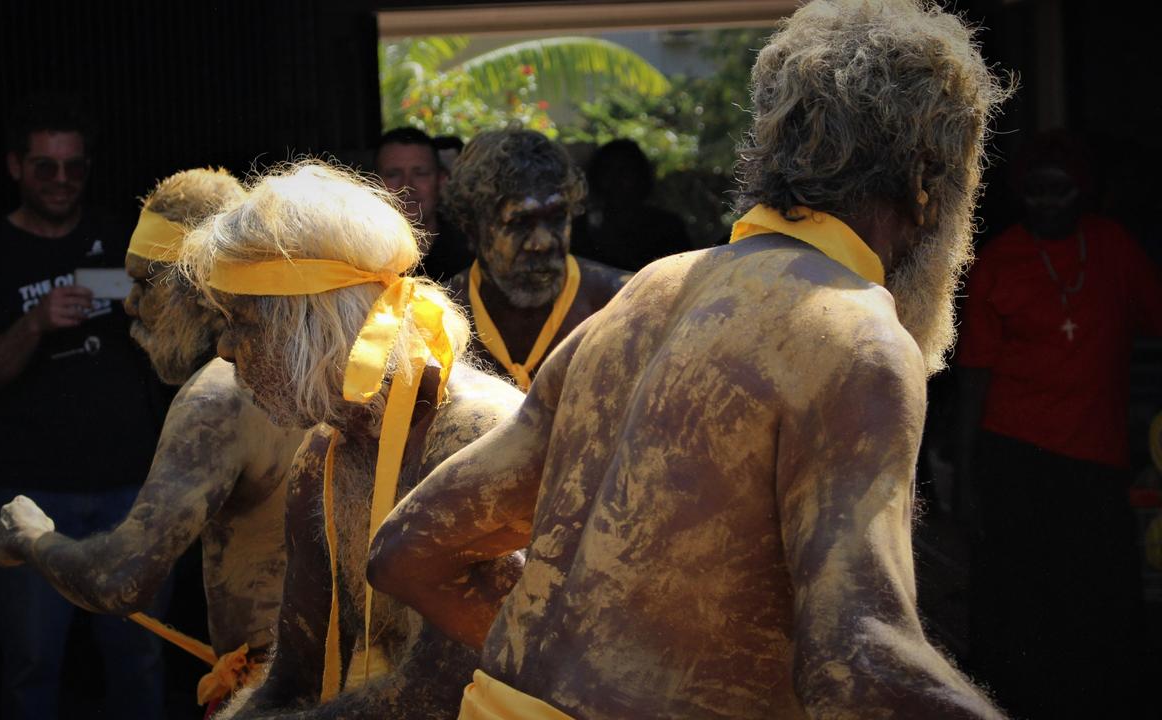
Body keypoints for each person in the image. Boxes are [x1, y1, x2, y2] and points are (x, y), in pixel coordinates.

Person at [368, 1, 1011, 717]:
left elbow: (404, 550)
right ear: (930, 181)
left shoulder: (647, 291)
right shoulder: (857, 334)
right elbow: (857, 665)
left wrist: (567, 681)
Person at [174, 160, 524, 718]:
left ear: (311, 324)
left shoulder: (475, 437)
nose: (223, 348)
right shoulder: (326, 453)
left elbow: (438, 693)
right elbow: (294, 677)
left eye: (241, 321)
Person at [0, 167, 307, 713]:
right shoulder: (304, 352)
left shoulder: (221, 397)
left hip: (279, 692)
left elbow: (120, 579)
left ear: (198, 284)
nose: (129, 305)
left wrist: (30, 537)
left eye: (145, 283)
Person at [0, 94, 167, 719]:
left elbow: (178, 348)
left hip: (132, 493)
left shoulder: (121, 242)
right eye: (45, 166)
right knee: (32, 666)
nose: (61, 179)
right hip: (30, 496)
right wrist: (35, 323)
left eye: (73, 166)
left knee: (141, 658)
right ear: (15, 167)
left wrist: (153, 307)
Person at [956, 131, 1162, 718]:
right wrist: (969, 475)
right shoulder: (1000, 259)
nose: (1046, 203)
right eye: (1035, 192)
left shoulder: (1114, 248)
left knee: (1100, 602)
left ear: (1084, 194)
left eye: (1059, 191)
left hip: (1097, 457)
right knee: (1018, 602)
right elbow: (974, 374)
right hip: (1015, 455)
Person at [443, 129, 630, 391]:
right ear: (472, 228)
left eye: (556, 219)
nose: (542, 243)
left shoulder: (621, 303)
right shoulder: (440, 319)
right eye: (519, 222)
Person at [571, 138, 691, 271]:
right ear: (596, 176)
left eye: (624, 170)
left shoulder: (668, 228)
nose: (615, 180)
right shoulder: (581, 229)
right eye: (607, 170)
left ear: (640, 175)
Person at [375, 127, 472, 283]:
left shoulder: (472, 255)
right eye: (393, 174)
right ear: (374, 183)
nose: (407, 186)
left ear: (441, 180)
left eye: (420, 173)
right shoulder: (354, 258)